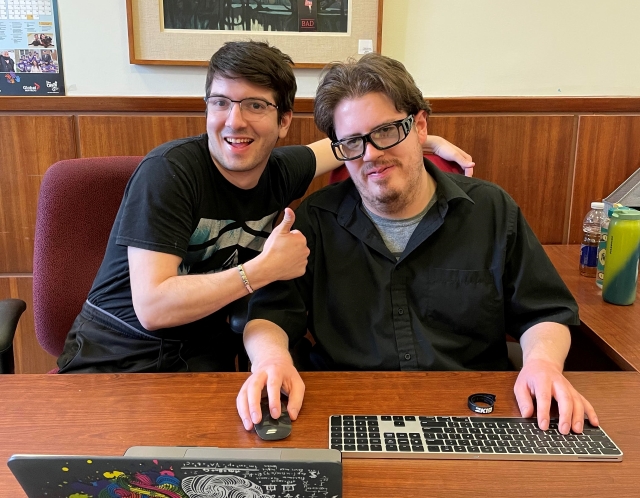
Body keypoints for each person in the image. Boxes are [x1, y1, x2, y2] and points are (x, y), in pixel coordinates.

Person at [237, 53, 599, 436]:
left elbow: (544, 311)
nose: (371, 154)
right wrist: (271, 360)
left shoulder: (491, 210)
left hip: (477, 413)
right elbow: (270, 314)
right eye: (353, 142)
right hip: (344, 412)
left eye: (386, 132)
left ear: (420, 126)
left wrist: (542, 363)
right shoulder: (314, 220)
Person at [57, 42, 472, 374]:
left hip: (204, 357)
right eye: (220, 102)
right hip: (113, 353)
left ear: (284, 121)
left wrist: (420, 140)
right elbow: (154, 307)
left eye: (255, 105)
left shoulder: (278, 169)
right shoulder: (169, 172)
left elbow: (352, 142)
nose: (234, 121)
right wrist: (262, 271)